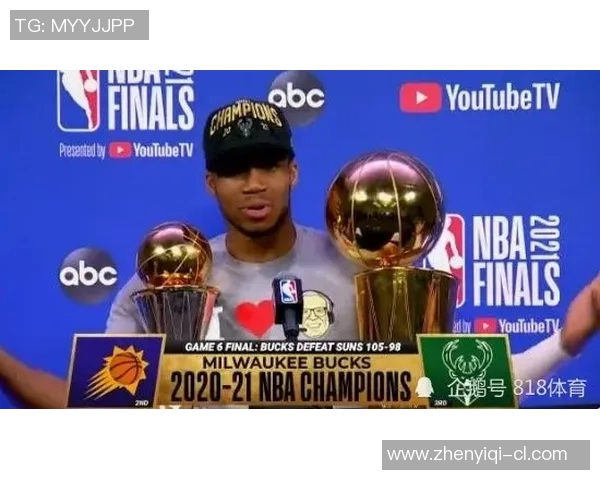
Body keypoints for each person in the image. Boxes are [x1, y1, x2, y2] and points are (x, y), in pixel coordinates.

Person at [1, 99, 599, 408]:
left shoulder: (369, 271)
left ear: (293, 172)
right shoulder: (160, 286)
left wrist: (565, 341)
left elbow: (449, 387)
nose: (253, 184)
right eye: (235, 170)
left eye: (268, 165)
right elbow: (98, 406)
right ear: (211, 184)